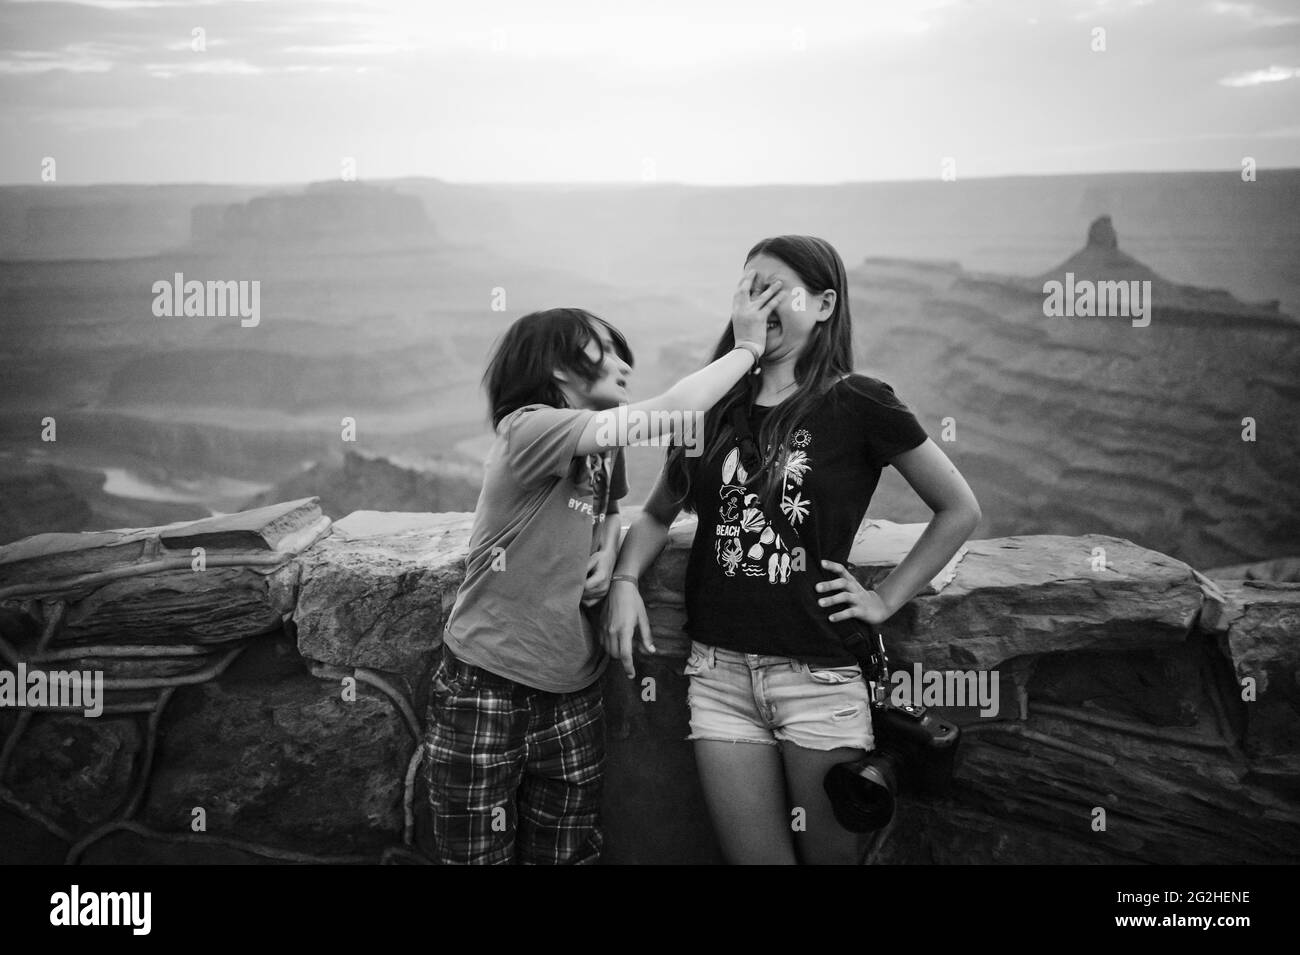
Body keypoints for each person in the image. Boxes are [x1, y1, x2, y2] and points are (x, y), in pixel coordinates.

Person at [604, 235, 981, 865]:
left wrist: (886, 597)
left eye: (778, 288)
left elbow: (959, 509)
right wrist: (622, 582)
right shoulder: (715, 406)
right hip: (718, 675)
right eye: (750, 288)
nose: (760, 302)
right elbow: (656, 514)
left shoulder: (860, 402)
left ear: (825, 304)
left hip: (818, 678)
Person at [426, 282, 782, 864]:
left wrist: (606, 550)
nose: (624, 365)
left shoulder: (599, 443)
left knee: (565, 854)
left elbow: (613, 506)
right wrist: (746, 350)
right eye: (604, 352)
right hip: (486, 685)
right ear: (555, 369)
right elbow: (672, 412)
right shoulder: (531, 428)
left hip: (573, 687)